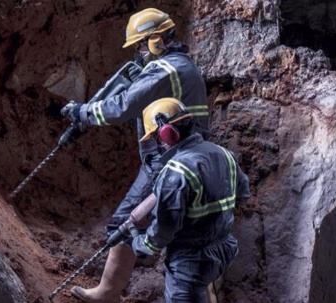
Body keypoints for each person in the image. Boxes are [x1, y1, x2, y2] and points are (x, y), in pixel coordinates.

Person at [60, 7, 210, 303]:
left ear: (155, 40)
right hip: (177, 156)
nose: (140, 52)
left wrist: (83, 112)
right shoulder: (180, 66)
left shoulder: (166, 70)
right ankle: (125, 275)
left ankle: (107, 293)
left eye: (141, 44)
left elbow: (125, 105)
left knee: (123, 224)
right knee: (142, 224)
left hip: (168, 162)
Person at [131, 98, 250, 303]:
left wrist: (140, 242)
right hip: (222, 250)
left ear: (166, 132)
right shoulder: (224, 154)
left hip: (190, 263)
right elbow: (242, 194)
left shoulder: (175, 173)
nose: (160, 143)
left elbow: (163, 231)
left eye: (157, 137)